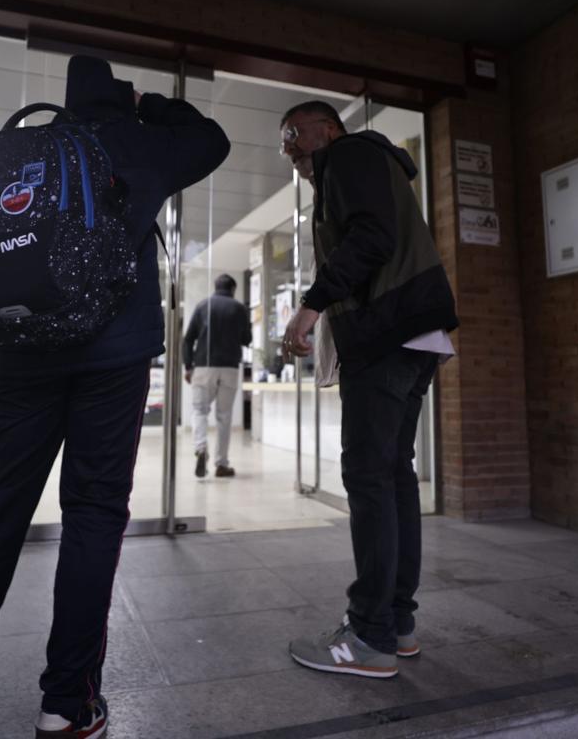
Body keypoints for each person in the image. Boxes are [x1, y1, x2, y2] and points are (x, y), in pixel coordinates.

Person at [0, 56, 229, 738]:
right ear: (120, 97)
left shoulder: (26, 150)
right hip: (113, 360)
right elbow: (212, 140)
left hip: (21, 358)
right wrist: (151, 109)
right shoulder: (135, 141)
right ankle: (67, 705)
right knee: (94, 514)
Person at [277, 100, 457, 679]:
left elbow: (372, 238)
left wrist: (310, 306)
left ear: (327, 129)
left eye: (293, 134)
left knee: (370, 478)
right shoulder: (366, 164)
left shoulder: (348, 155)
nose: (289, 149)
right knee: (393, 475)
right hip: (414, 333)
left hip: (386, 334)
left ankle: (370, 635)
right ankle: (397, 624)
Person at [183, 273, 251, 478]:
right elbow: (247, 339)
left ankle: (201, 448)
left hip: (204, 366)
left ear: (216, 287)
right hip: (229, 367)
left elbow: (188, 340)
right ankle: (221, 464)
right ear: (233, 289)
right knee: (224, 416)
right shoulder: (239, 308)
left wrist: (188, 366)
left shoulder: (203, 305)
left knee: (200, 411)